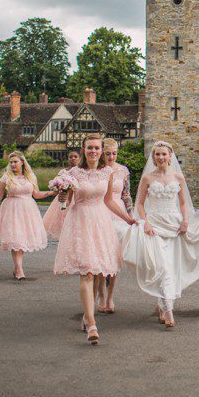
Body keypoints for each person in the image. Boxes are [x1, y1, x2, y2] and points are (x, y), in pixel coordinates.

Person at [111, 141, 199, 328]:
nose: (160, 157)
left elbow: (183, 203)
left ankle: (163, 304)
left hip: (174, 225)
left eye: (163, 154)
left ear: (170, 156)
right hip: (154, 226)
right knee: (162, 267)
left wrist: (185, 220)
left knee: (171, 268)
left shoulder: (178, 178)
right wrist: (146, 223)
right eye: (157, 154)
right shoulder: (148, 178)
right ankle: (169, 311)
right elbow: (140, 204)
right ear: (153, 157)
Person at [54, 137, 126, 345]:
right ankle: (92, 324)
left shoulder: (108, 173)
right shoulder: (73, 174)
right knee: (86, 272)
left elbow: (109, 201)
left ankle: (87, 316)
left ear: (102, 150)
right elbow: (65, 202)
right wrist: (62, 195)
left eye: (97, 148)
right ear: (84, 150)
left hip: (101, 222)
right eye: (90, 148)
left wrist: (128, 219)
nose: (93, 151)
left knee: (97, 272)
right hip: (80, 222)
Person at [0, 152, 54, 280]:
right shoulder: (5, 178)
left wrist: (52, 192)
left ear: (22, 163)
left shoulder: (30, 177)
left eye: (15, 162)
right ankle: (20, 270)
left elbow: (36, 195)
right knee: (15, 239)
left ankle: (17, 268)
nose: (13, 164)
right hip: (12, 210)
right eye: (11, 162)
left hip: (28, 210)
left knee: (22, 239)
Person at [94, 138, 133, 314]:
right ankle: (101, 294)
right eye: (108, 153)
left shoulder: (123, 170)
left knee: (116, 256)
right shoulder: (99, 170)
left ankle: (110, 297)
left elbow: (126, 194)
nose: (111, 156)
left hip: (119, 213)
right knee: (102, 254)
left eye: (114, 153)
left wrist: (130, 214)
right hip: (101, 211)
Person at [43, 149, 80, 239]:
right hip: (63, 197)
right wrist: (60, 186)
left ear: (80, 158)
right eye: (70, 157)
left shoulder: (80, 171)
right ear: (67, 159)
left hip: (76, 198)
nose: (73, 158)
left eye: (75, 156)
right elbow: (57, 183)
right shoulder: (63, 172)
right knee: (62, 223)